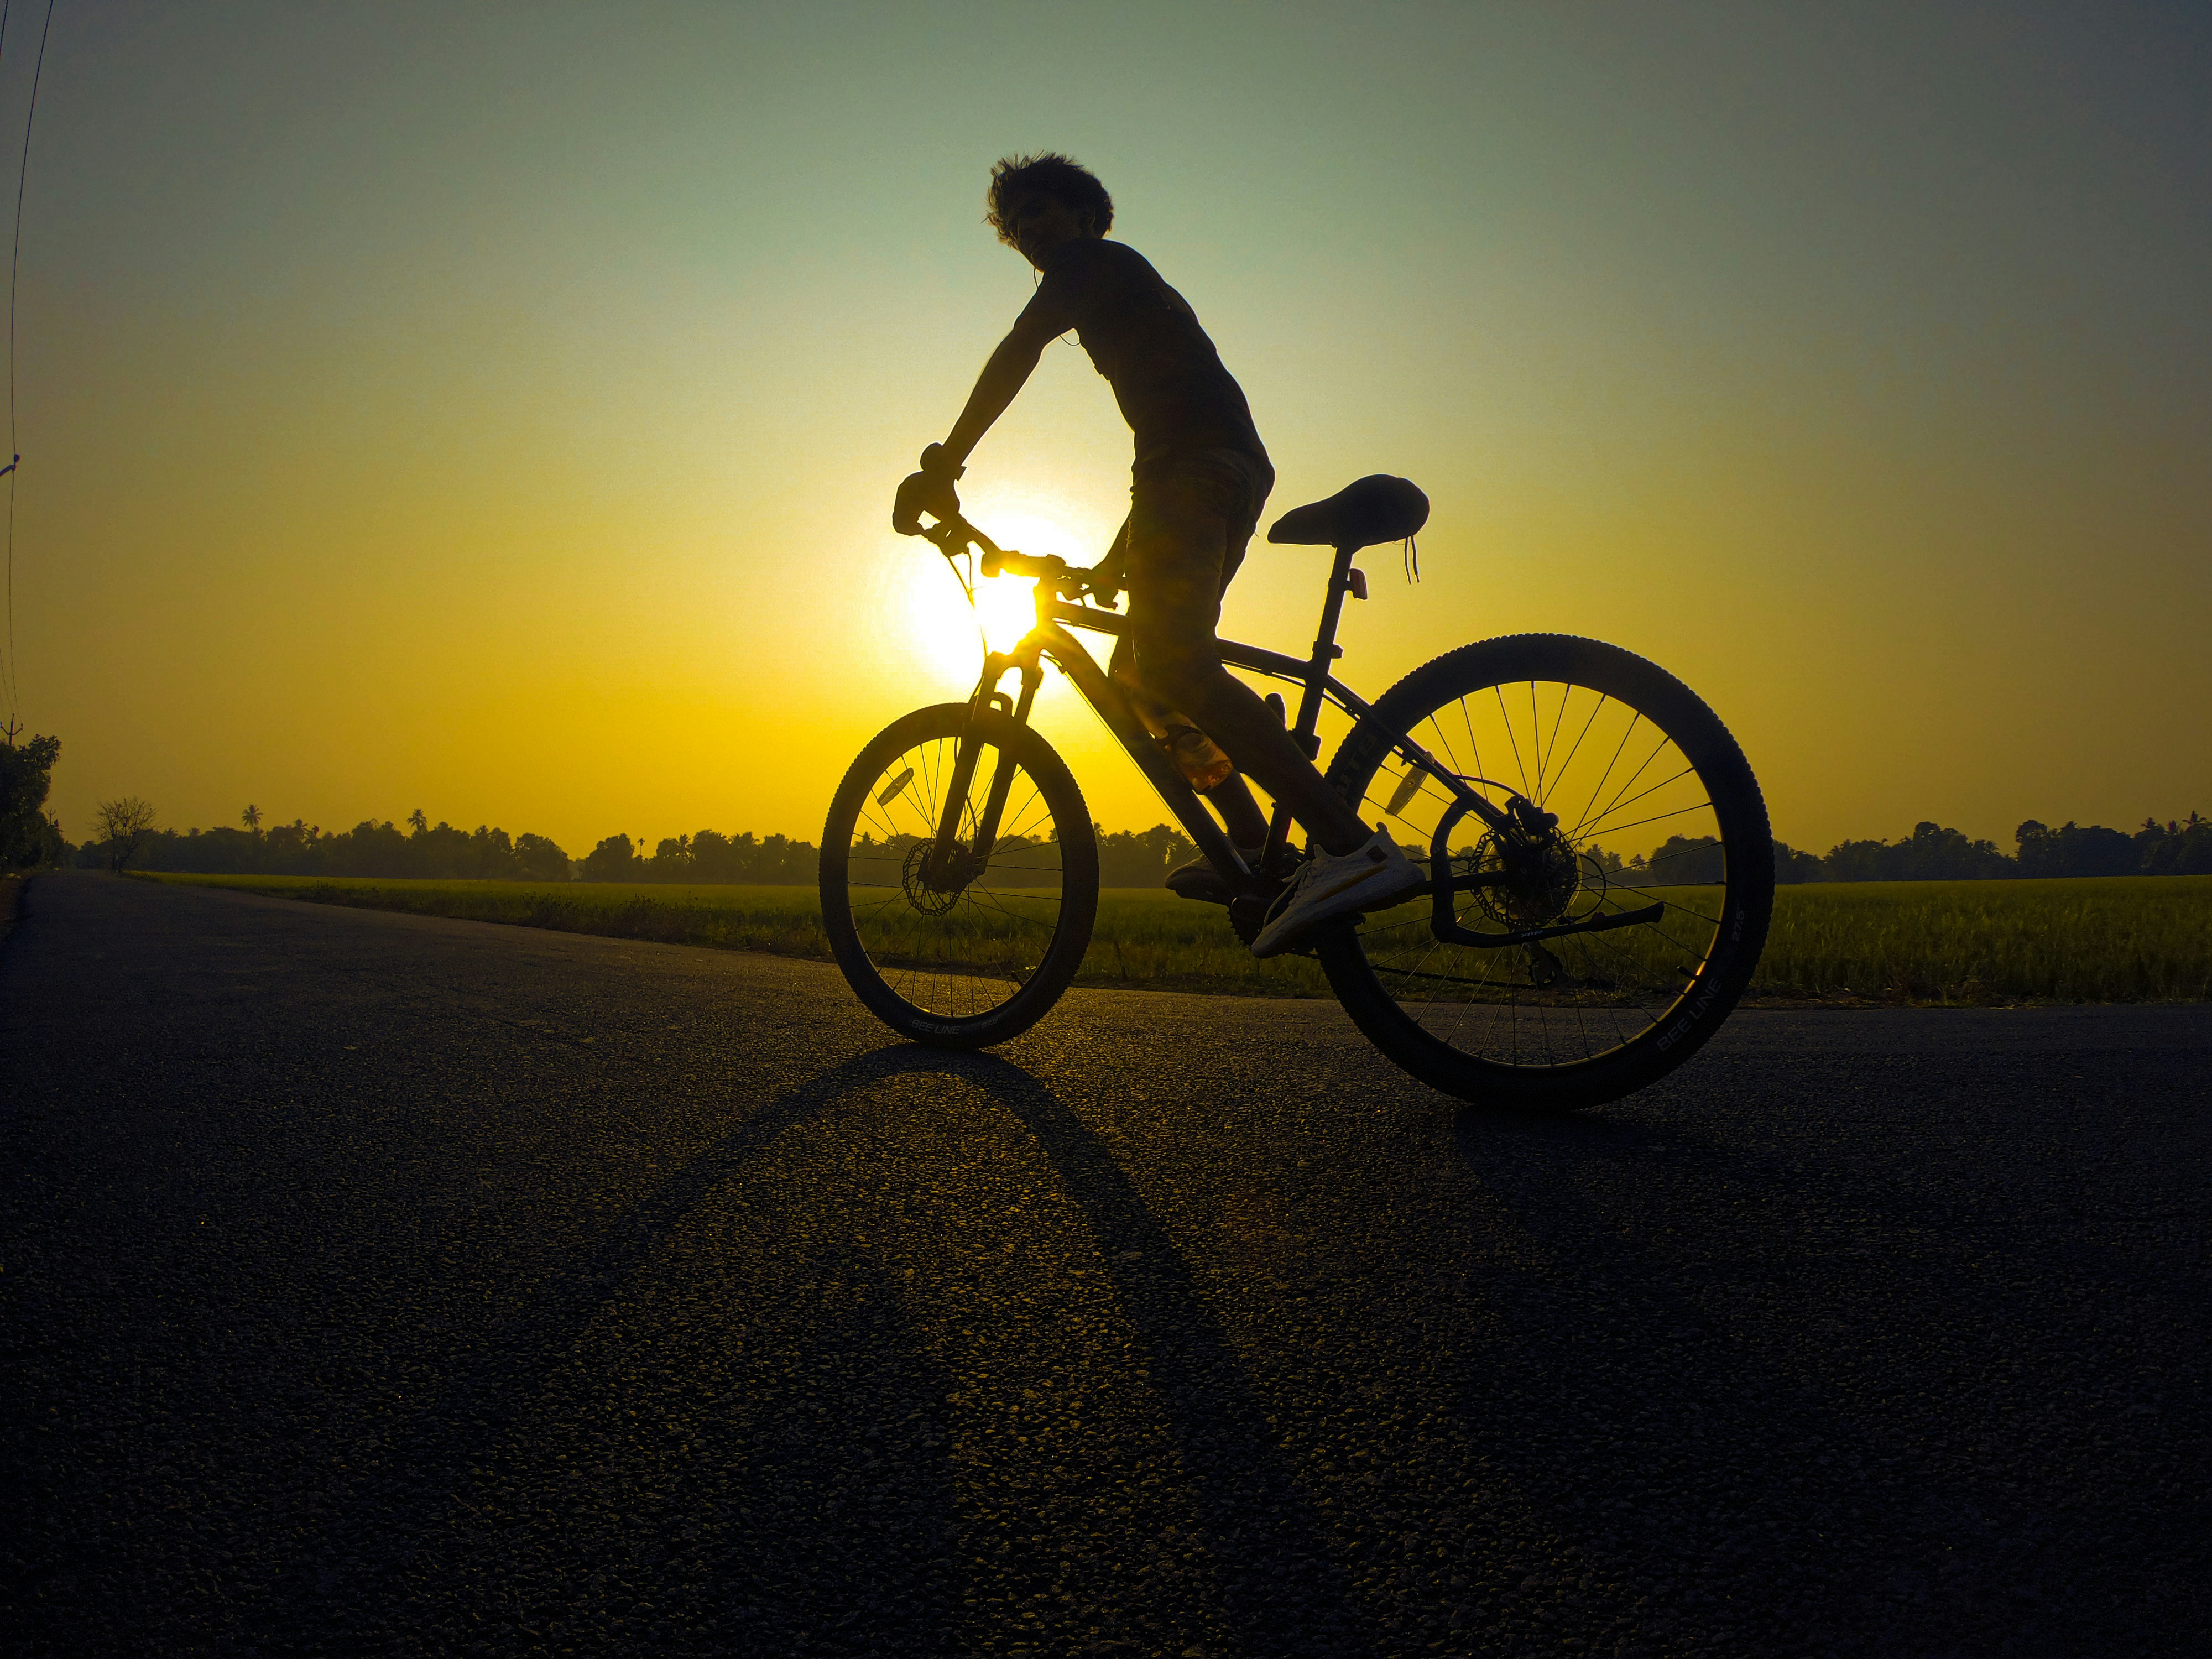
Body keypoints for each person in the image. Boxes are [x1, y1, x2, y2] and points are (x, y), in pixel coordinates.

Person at [899, 153, 1421, 958]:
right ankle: (1257, 850)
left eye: (1042, 211)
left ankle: (1350, 850)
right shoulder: (1111, 287)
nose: (1028, 229)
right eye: (1016, 223)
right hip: (1197, 470)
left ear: (1082, 216)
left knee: (1175, 665)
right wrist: (1116, 561)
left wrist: (945, 463)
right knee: (1145, 675)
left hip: (1200, 467)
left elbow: (1020, 349)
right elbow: (1162, 457)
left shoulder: (1090, 264)